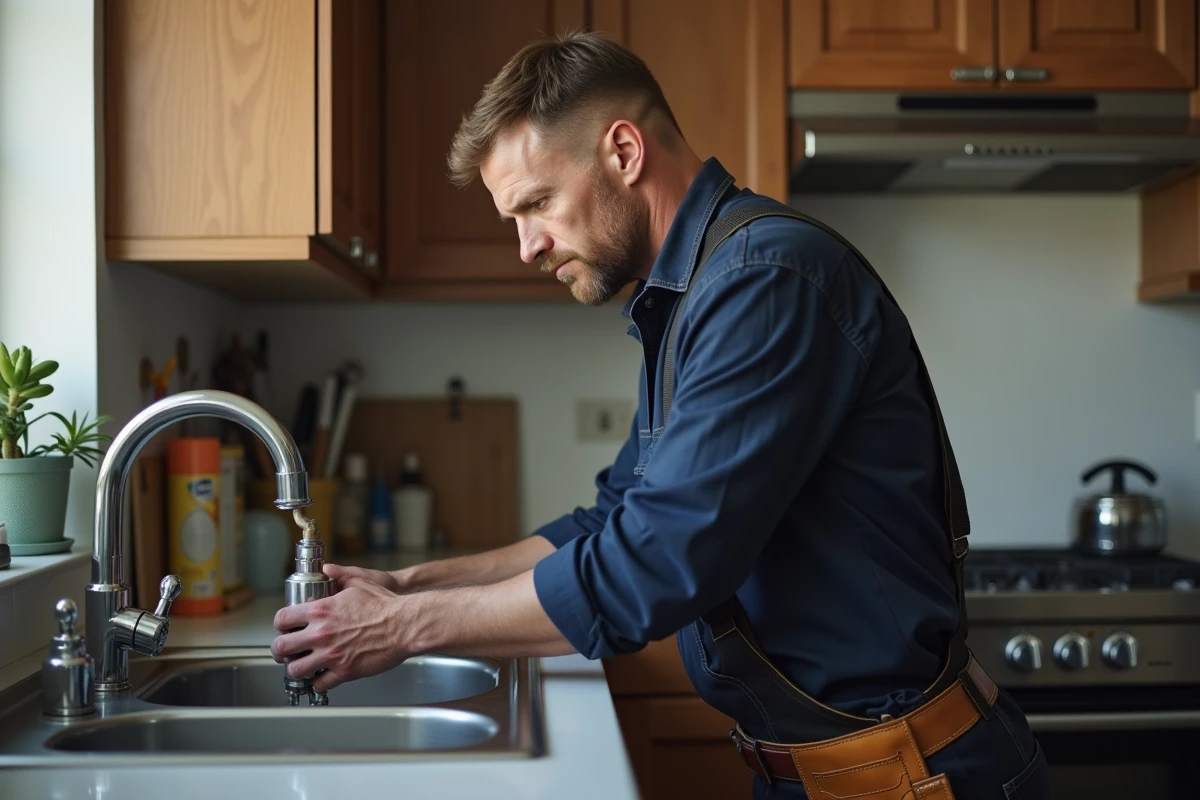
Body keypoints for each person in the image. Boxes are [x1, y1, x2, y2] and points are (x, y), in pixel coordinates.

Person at [272, 31, 1050, 799]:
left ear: (622, 152)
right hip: (832, 772)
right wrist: (407, 588)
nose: (526, 246)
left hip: (911, 779)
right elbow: (610, 520)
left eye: (537, 203)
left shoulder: (763, 280)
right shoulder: (694, 295)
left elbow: (650, 566)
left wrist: (401, 630)